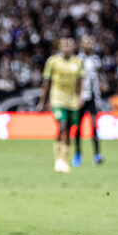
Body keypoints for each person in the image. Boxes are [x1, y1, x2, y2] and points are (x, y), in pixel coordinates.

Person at [36, 36, 83, 173]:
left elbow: (80, 82)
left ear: (73, 47)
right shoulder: (53, 61)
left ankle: (65, 159)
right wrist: (42, 102)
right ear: (60, 47)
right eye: (64, 45)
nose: (67, 48)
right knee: (62, 125)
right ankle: (58, 159)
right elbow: (46, 82)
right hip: (57, 99)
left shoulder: (78, 62)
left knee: (68, 130)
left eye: (69, 45)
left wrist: (80, 97)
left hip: (72, 101)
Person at [73, 34, 104, 166]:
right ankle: (78, 154)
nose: (89, 44)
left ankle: (97, 154)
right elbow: (75, 80)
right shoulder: (77, 59)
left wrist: (99, 95)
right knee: (78, 127)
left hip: (92, 97)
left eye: (91, 42)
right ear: (81, 44)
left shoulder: (96, 59)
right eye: (86, 42)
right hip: (80, 98)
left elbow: (98, 78)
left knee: (94, 126)